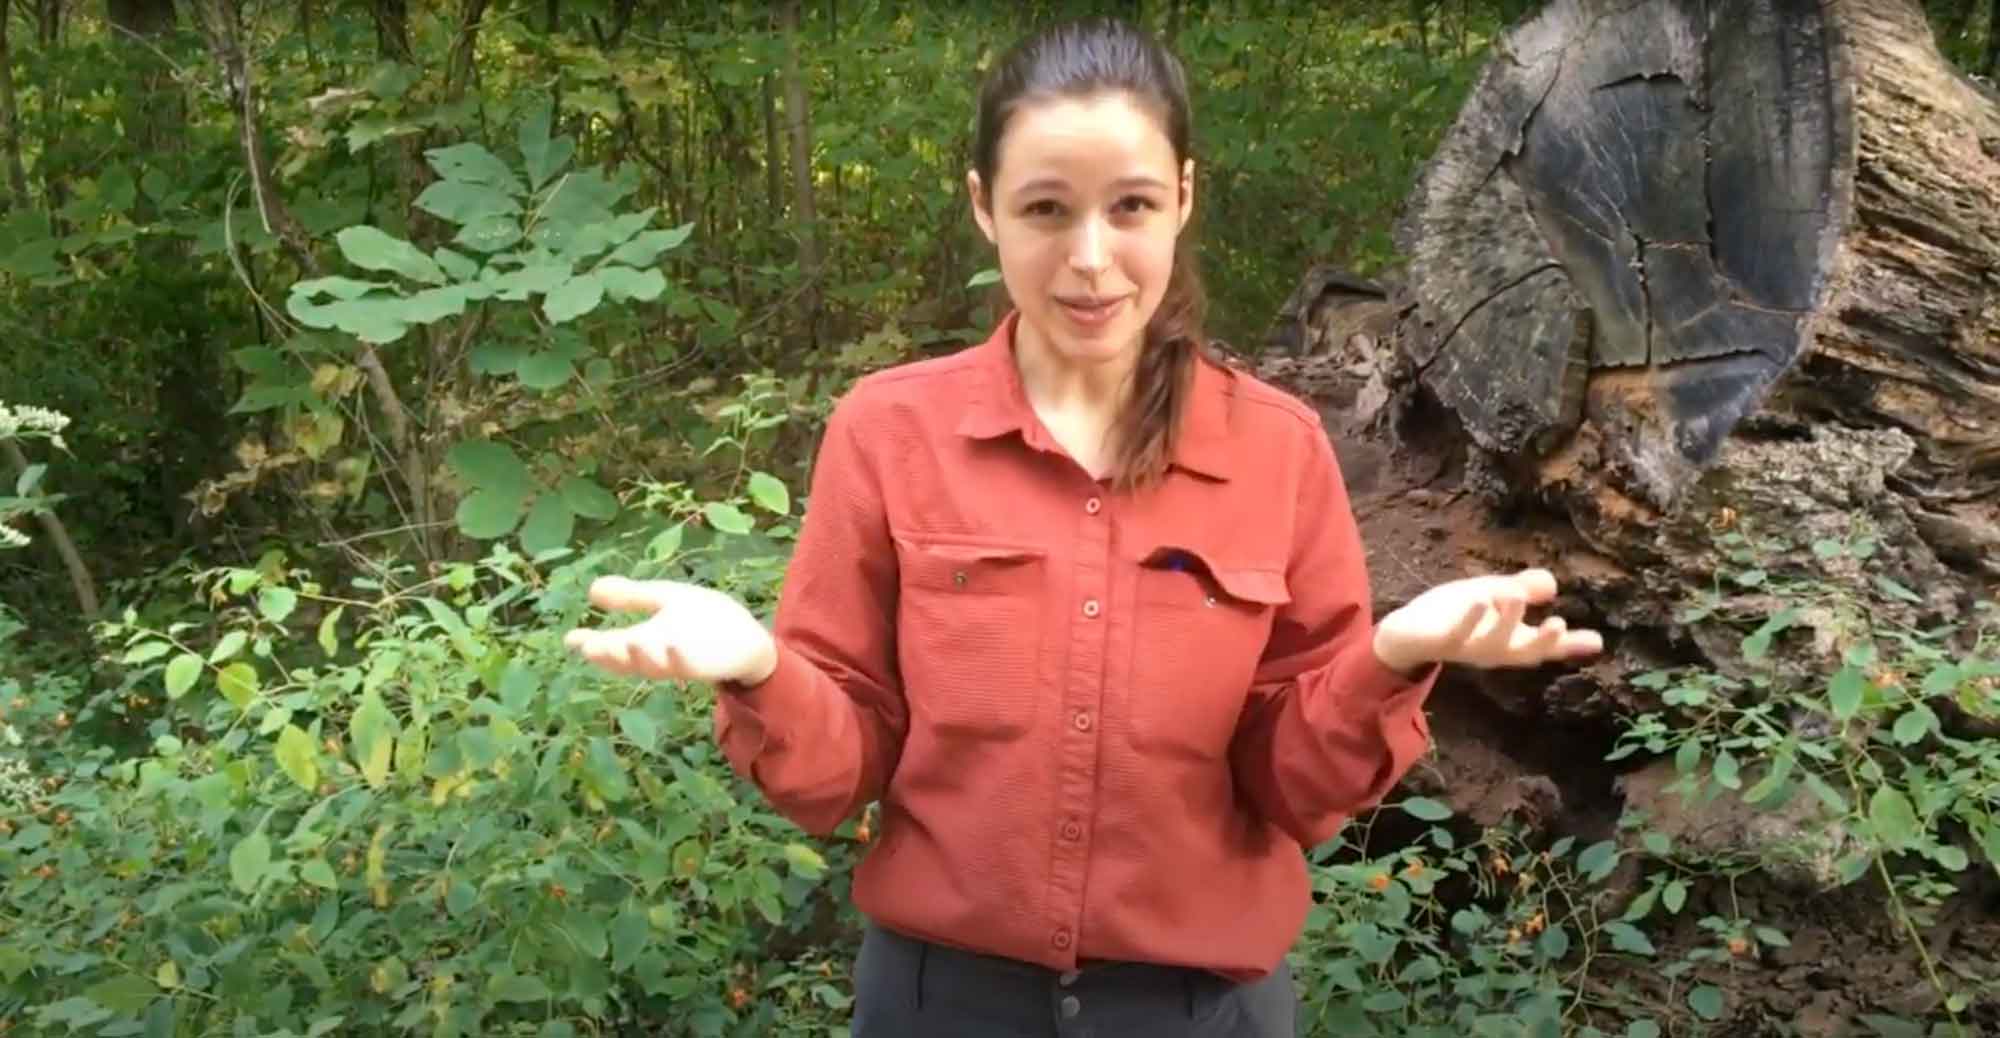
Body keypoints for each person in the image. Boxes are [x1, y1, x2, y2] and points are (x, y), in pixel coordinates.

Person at [565, 16, 1602, 1037]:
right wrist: (758, 669)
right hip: (941, 1007)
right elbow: (836, 778)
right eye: (1046, 209)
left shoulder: (1275, 450)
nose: (1091, 258)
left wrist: (1388, 658)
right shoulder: (889, 431)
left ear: (1183, 198)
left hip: (1201, 1013)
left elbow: (1295, 792)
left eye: (1131, 206)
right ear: (984, 208)